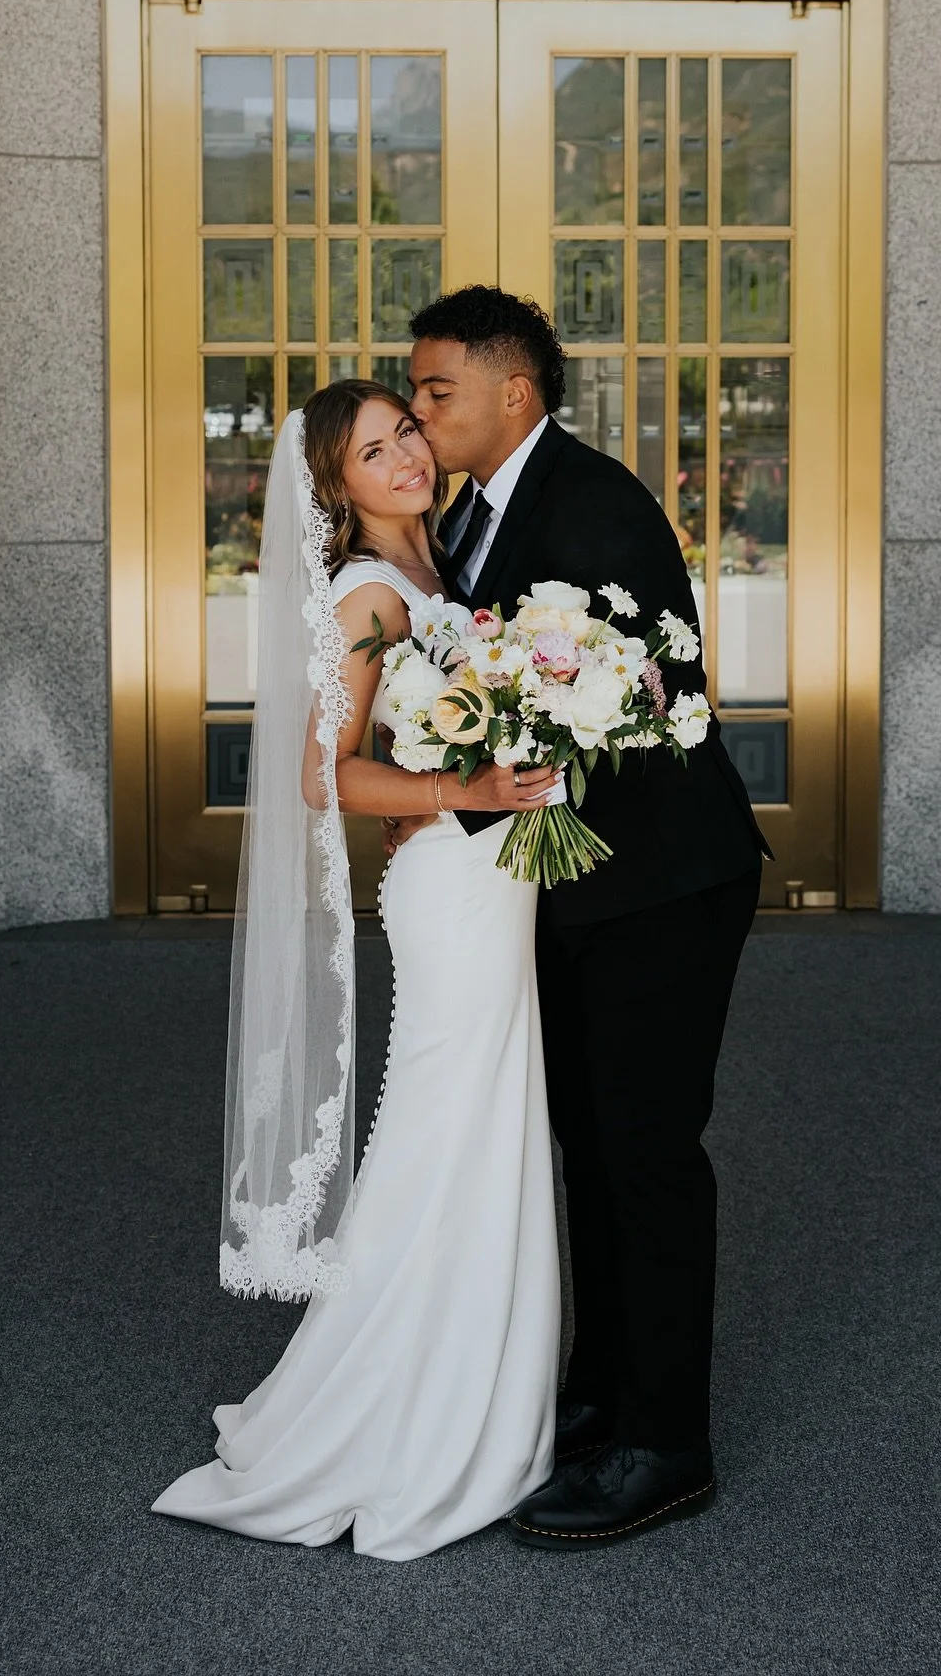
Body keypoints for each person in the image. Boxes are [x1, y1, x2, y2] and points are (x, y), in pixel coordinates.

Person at [152, 381, 563, 1561]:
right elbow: (317, 774)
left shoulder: (443, 572)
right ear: (334, 488)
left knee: (483, 1123)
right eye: (373, 452)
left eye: (407, 435)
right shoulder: (370, 596)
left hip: (499, 882)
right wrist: (461, 792)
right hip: (450, 887)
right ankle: (390, 1414)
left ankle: (478, 1389)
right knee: (444, 1129)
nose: (404, 460)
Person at [402, 285, 771, 1551]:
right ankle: (604, 1399)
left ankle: (667, 1447)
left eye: (437, 389)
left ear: (515, 393)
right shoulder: (476, 509)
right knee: (591, 1152)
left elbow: (639, 696)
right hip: (571, 891)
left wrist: (456, 791)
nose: (419, 408)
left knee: (648, 1155)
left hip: (660, 887)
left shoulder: (595, 502)